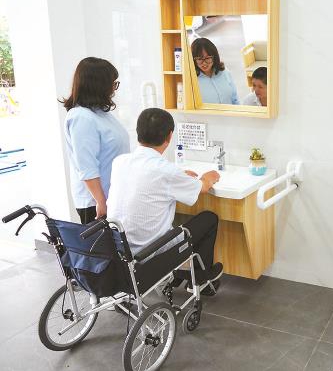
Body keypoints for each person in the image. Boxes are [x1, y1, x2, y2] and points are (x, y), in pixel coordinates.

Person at [107, 108, 223, 288]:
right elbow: (203, 187)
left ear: (138, 133)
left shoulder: (120, 162)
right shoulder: (166, 171)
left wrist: (179, 176)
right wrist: (210, 176)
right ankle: (201, 281)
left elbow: (150, 179)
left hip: (118, 250)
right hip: (150, 253)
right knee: (209, 218)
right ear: (169, 136)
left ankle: (183, 274)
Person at [62, 57, 130, 224]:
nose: (114, 89)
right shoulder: (81, 117)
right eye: (112, 84)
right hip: (96, 203)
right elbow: (86, 166)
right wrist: (101, 201)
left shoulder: (100, 113)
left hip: (112, 196)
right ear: (98, 85)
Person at [191, 37, 239, 105]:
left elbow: (235, 98)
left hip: (230, 111)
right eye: (199, 59)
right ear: (193, 60)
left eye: (207, 58)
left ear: (214, 56)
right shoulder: (192, 80)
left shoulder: (224, 72)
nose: (204, 63)